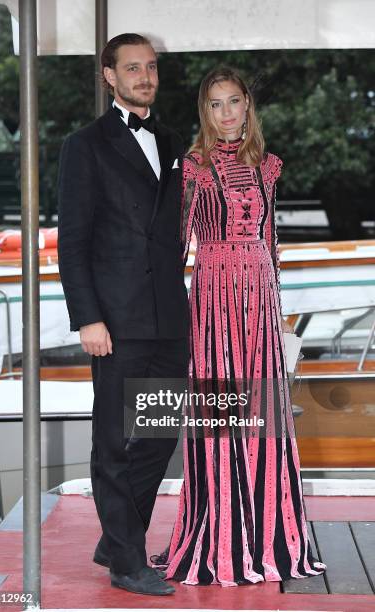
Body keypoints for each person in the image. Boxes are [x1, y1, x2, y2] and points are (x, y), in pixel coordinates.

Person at [151, 66, 327, 586]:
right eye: (215, 104)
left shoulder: (270, 166)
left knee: (264, 413)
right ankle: (222, 535)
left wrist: (276, 304)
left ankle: (269, 536)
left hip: (261, 306)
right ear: (204, 113)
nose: (226, 113)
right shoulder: (193, 167)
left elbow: (271, 241)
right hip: (212, 303)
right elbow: (173, 249)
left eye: (233, 102)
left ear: (248, 106)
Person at [57, 33, 189, 596]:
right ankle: (127, 563)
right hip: (114, 317)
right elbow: (73, 240)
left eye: (151, 67)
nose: (145, 77)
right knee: (114, 440)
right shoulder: (84, 145)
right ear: (109, 76)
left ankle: (116, 535)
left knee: (159, 434)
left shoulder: (172, 139)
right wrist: (88, 317)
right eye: (133, 68)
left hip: (168, 316)